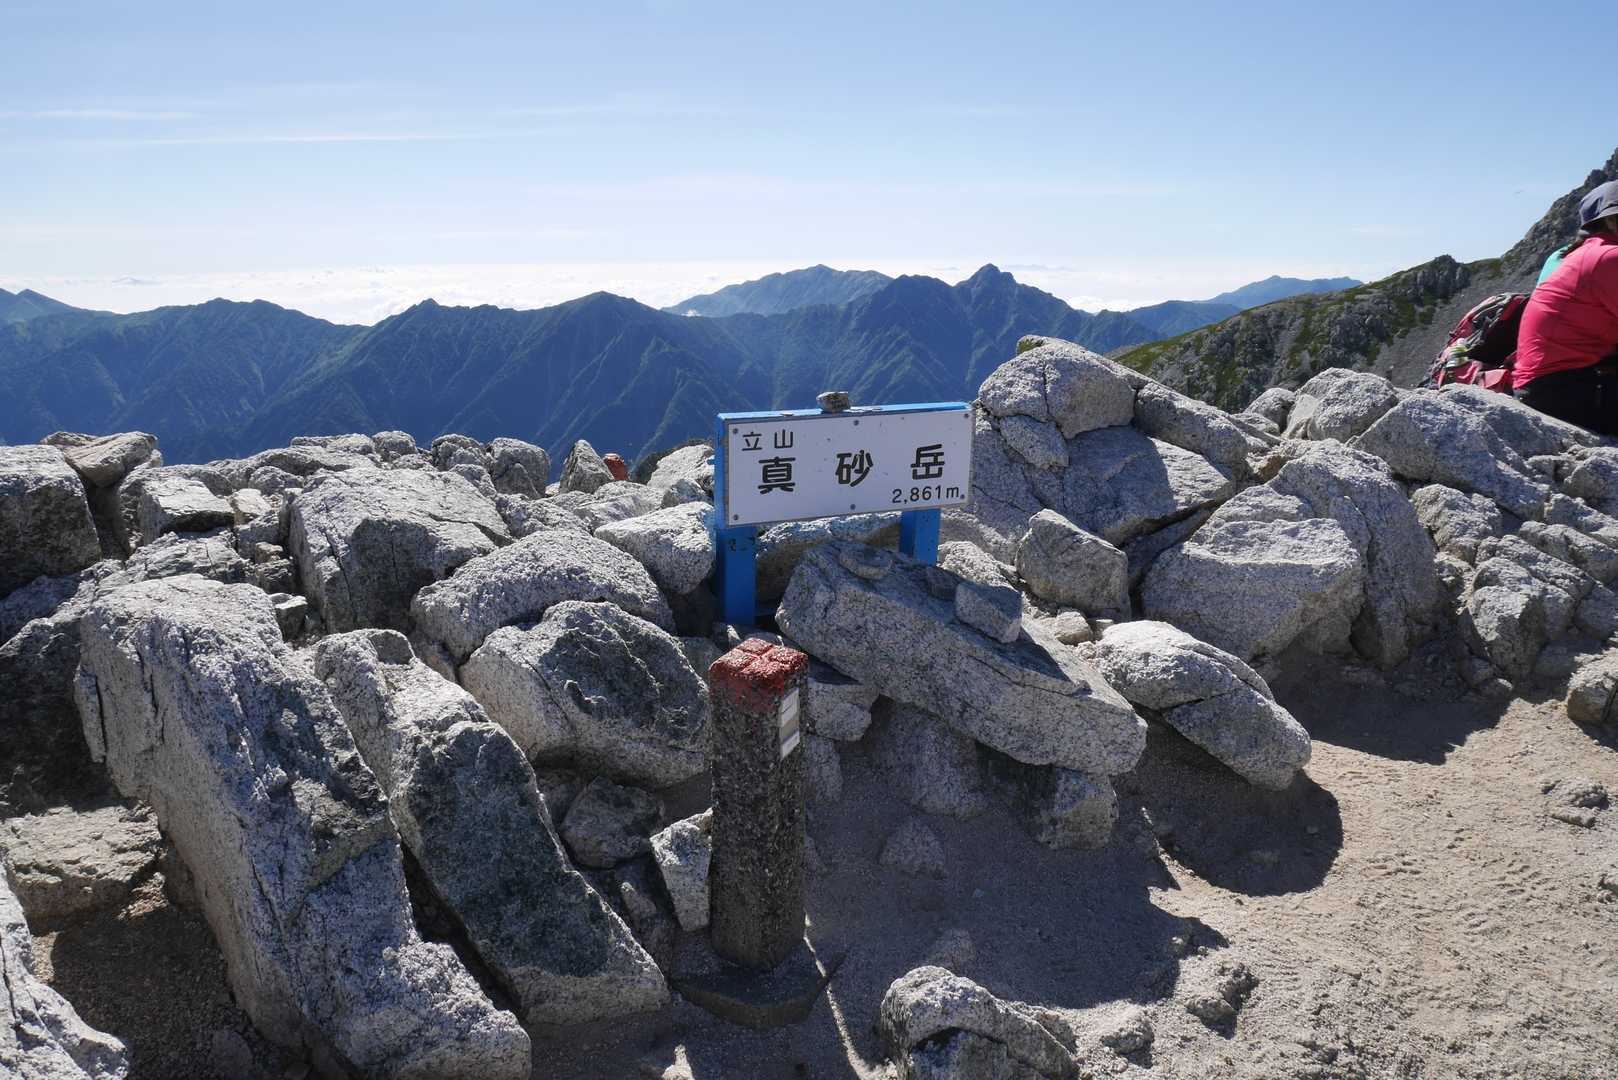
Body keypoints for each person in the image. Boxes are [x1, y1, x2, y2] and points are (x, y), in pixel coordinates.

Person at [1512, 182, 1618, 434]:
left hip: (1551, 387)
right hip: (1563, 392)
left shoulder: (1585, 253)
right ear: (1611, 220)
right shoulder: (1608, 258)